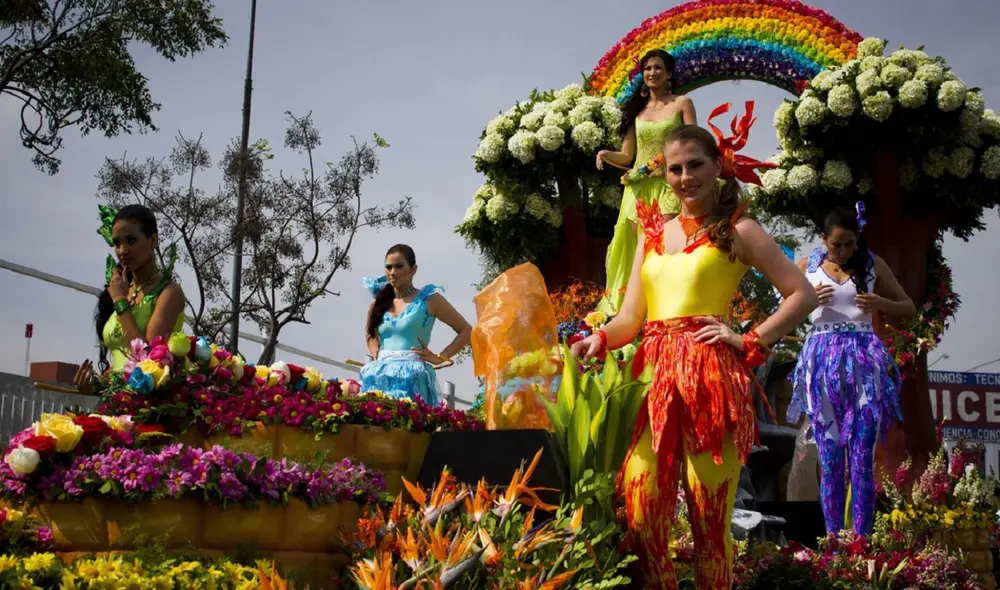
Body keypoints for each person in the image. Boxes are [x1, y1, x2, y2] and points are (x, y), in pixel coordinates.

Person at [572, 112, 817, 588]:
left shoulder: (739, 230)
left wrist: (748, 339)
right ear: (663, 172)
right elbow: (630, 319)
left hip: (709, 382)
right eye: (675, 168)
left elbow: (801, 294)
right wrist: (598, 339)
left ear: (718, 166)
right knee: (642, 517)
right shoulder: (651, 233)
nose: (686, 178)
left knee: (710, 526)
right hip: (653, 382)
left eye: (696, 165)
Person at [787, 204, 913, 537]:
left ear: (857, 240)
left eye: (848, 244)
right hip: (823, 362)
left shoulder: (872, 263)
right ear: (823, 240)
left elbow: (908, 306)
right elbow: (784, 309)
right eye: (836, 244)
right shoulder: (807, 265)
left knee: (860, 460)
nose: (842, 251)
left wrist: (879, 303)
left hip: (863, 363)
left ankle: (861, 541)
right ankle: (832, 540)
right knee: (828, 460)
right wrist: (809, 299)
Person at [596, 49, 697, 315]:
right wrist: (607, 155)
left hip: (669, 186)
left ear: (669, 74)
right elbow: (627, 155)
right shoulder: (636, 112)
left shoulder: (682, 103)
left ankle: (670, 306)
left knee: (663, 246)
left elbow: (694, 143)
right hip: (637, 190)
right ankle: (636, 316)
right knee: (638, 252)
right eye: (647, 68)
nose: (652, 73)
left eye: (658, 68)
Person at [74, 204, 186, 393]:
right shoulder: (124, 291)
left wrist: (119, 299)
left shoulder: (169, 293)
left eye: (131, 240)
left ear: (153, 240)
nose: (122, 250)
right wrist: (96, 383)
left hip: (148, 410)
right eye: (117, 243)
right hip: (115, 403)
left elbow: (147, 359)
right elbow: (122, 362)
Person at [361, 244, 472, 405]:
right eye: (388, 267)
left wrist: (439, 358)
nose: (393, 272)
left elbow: (466, 330)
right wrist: (378, 356)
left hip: (413, 377)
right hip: (378, 376)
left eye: (399, 266)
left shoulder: (429, 300)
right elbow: (370, 332)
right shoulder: (377, 302)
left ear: (413, 269)